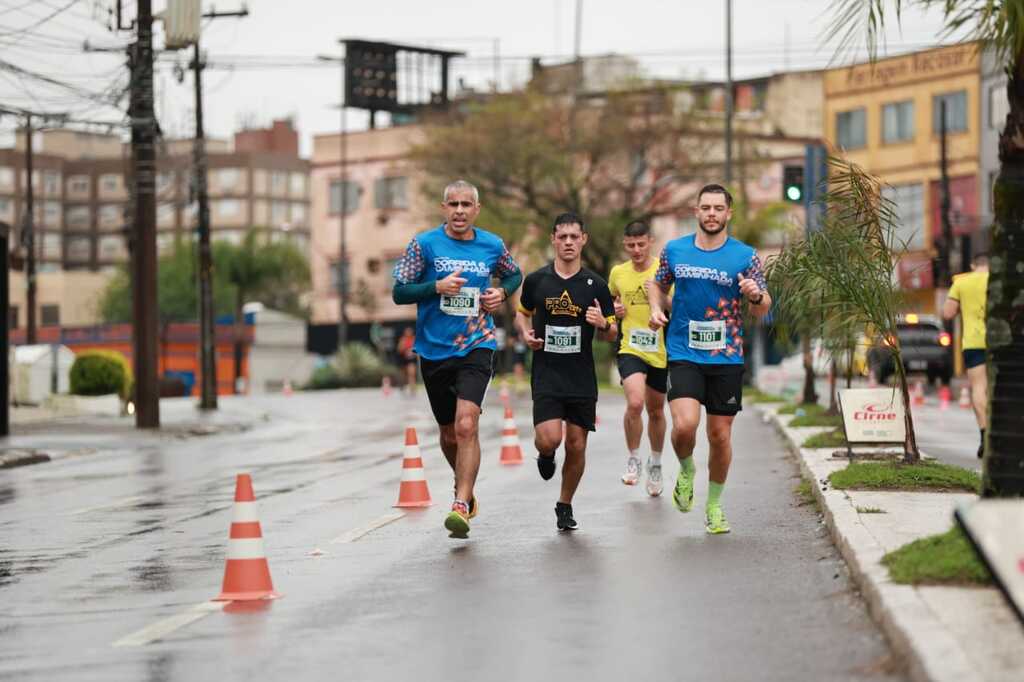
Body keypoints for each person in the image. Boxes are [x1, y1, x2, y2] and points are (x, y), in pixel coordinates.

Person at [392, 180, 523, 538]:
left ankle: (461, 504)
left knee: (467, 424)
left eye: (467, 204)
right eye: (454, 204)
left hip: (477, 344)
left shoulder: (492, 245)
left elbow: (514, 273)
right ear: (443, 208)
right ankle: (462, 483)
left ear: (477, 209)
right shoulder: (424, 245)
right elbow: (399, 291)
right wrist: (435, 287)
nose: (460, 210)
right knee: (449, 433)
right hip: (434, 348)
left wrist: (501, 292)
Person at [648, 184, 771, 535]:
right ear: (696, 212)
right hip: (684, 352)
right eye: (706, 208)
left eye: (719, 208)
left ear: (728, 213)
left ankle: (714, 505)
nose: (712, 214)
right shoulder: (675, 250)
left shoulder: (745, 256)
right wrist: (657, 308)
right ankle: (686, 469)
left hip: (726, 357)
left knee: (719, 436)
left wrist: (756, 294)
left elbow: (764, 308)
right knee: (684, 426)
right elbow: (657, 285)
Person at [516, 212, 618, 531]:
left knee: (576, 445)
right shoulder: (536, 281)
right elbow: (522, 313)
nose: (569, 242)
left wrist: (603, 325)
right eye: (563, 237)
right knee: (550, 440)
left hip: (581, 377)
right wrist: (525, 333)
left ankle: (564, 504)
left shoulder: (596, 285)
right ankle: (545, 456)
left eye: (575, 237)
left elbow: (613, 332)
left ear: (583, 239)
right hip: (547, 374)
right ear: (554, 240)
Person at [608, 220, 669, 496]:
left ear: (650, 242)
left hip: (659, 349)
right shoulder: (618, 273)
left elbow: (674, 304)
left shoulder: (662, 271)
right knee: (635, 403)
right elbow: (610, 302)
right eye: (631, 245)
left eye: (641, 244)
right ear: (625, 244)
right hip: (630, 347)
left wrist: (658, 303)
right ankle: (633, 459)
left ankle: (655, 463)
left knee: (656, 410)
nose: (636, 250)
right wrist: (615, 310)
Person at [942, 252, 989, 458]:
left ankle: (985, 435)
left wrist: (964, 305)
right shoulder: (1002, 282)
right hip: (1005, 343)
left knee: (979, 389)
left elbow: (948, 313)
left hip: (974, 342)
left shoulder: (962, 283)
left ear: (972, 264)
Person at [396, 326, 417, 395]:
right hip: (403, 358)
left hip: (412, 359)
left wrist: (413, 352)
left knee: (411, 373)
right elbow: (399, 350)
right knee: (404, 374)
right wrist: (404, 348)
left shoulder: (414, 339)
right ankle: (403, 386)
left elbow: (418, 350)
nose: (409, 333)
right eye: (407, 332)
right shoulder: (403, 339)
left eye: (410, 331)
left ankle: (412, 389)